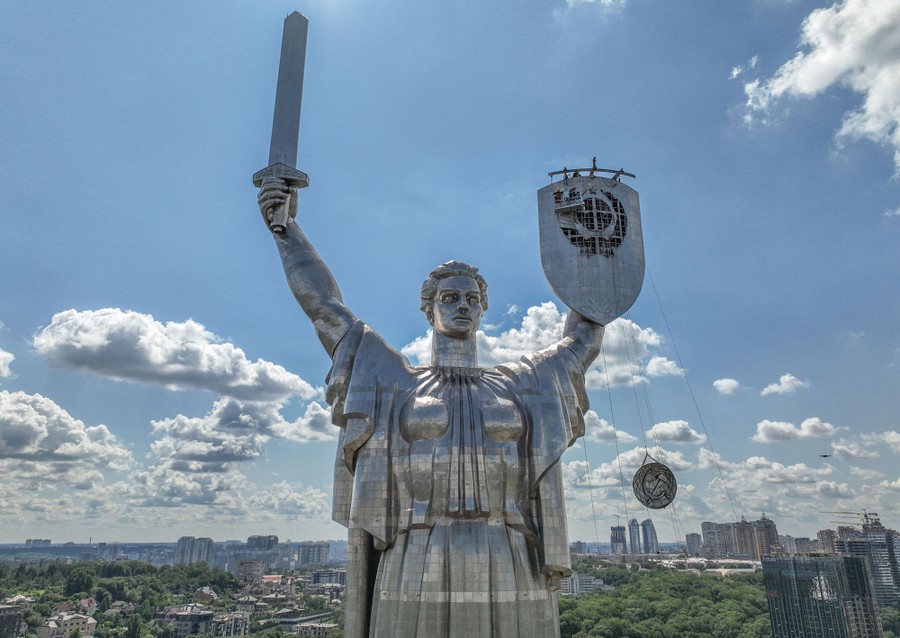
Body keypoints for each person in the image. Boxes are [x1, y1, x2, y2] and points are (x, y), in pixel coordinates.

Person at [258, 178, 604, 638]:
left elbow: (582, 339)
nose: (462, 306)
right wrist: (286, 228)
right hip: (417, 553)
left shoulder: (523, 385)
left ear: (483, 311)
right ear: (429, 308)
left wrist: (595, 245)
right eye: (450, 298)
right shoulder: (396, 382)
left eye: (472, 299)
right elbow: (325, 308)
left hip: (509, 551)